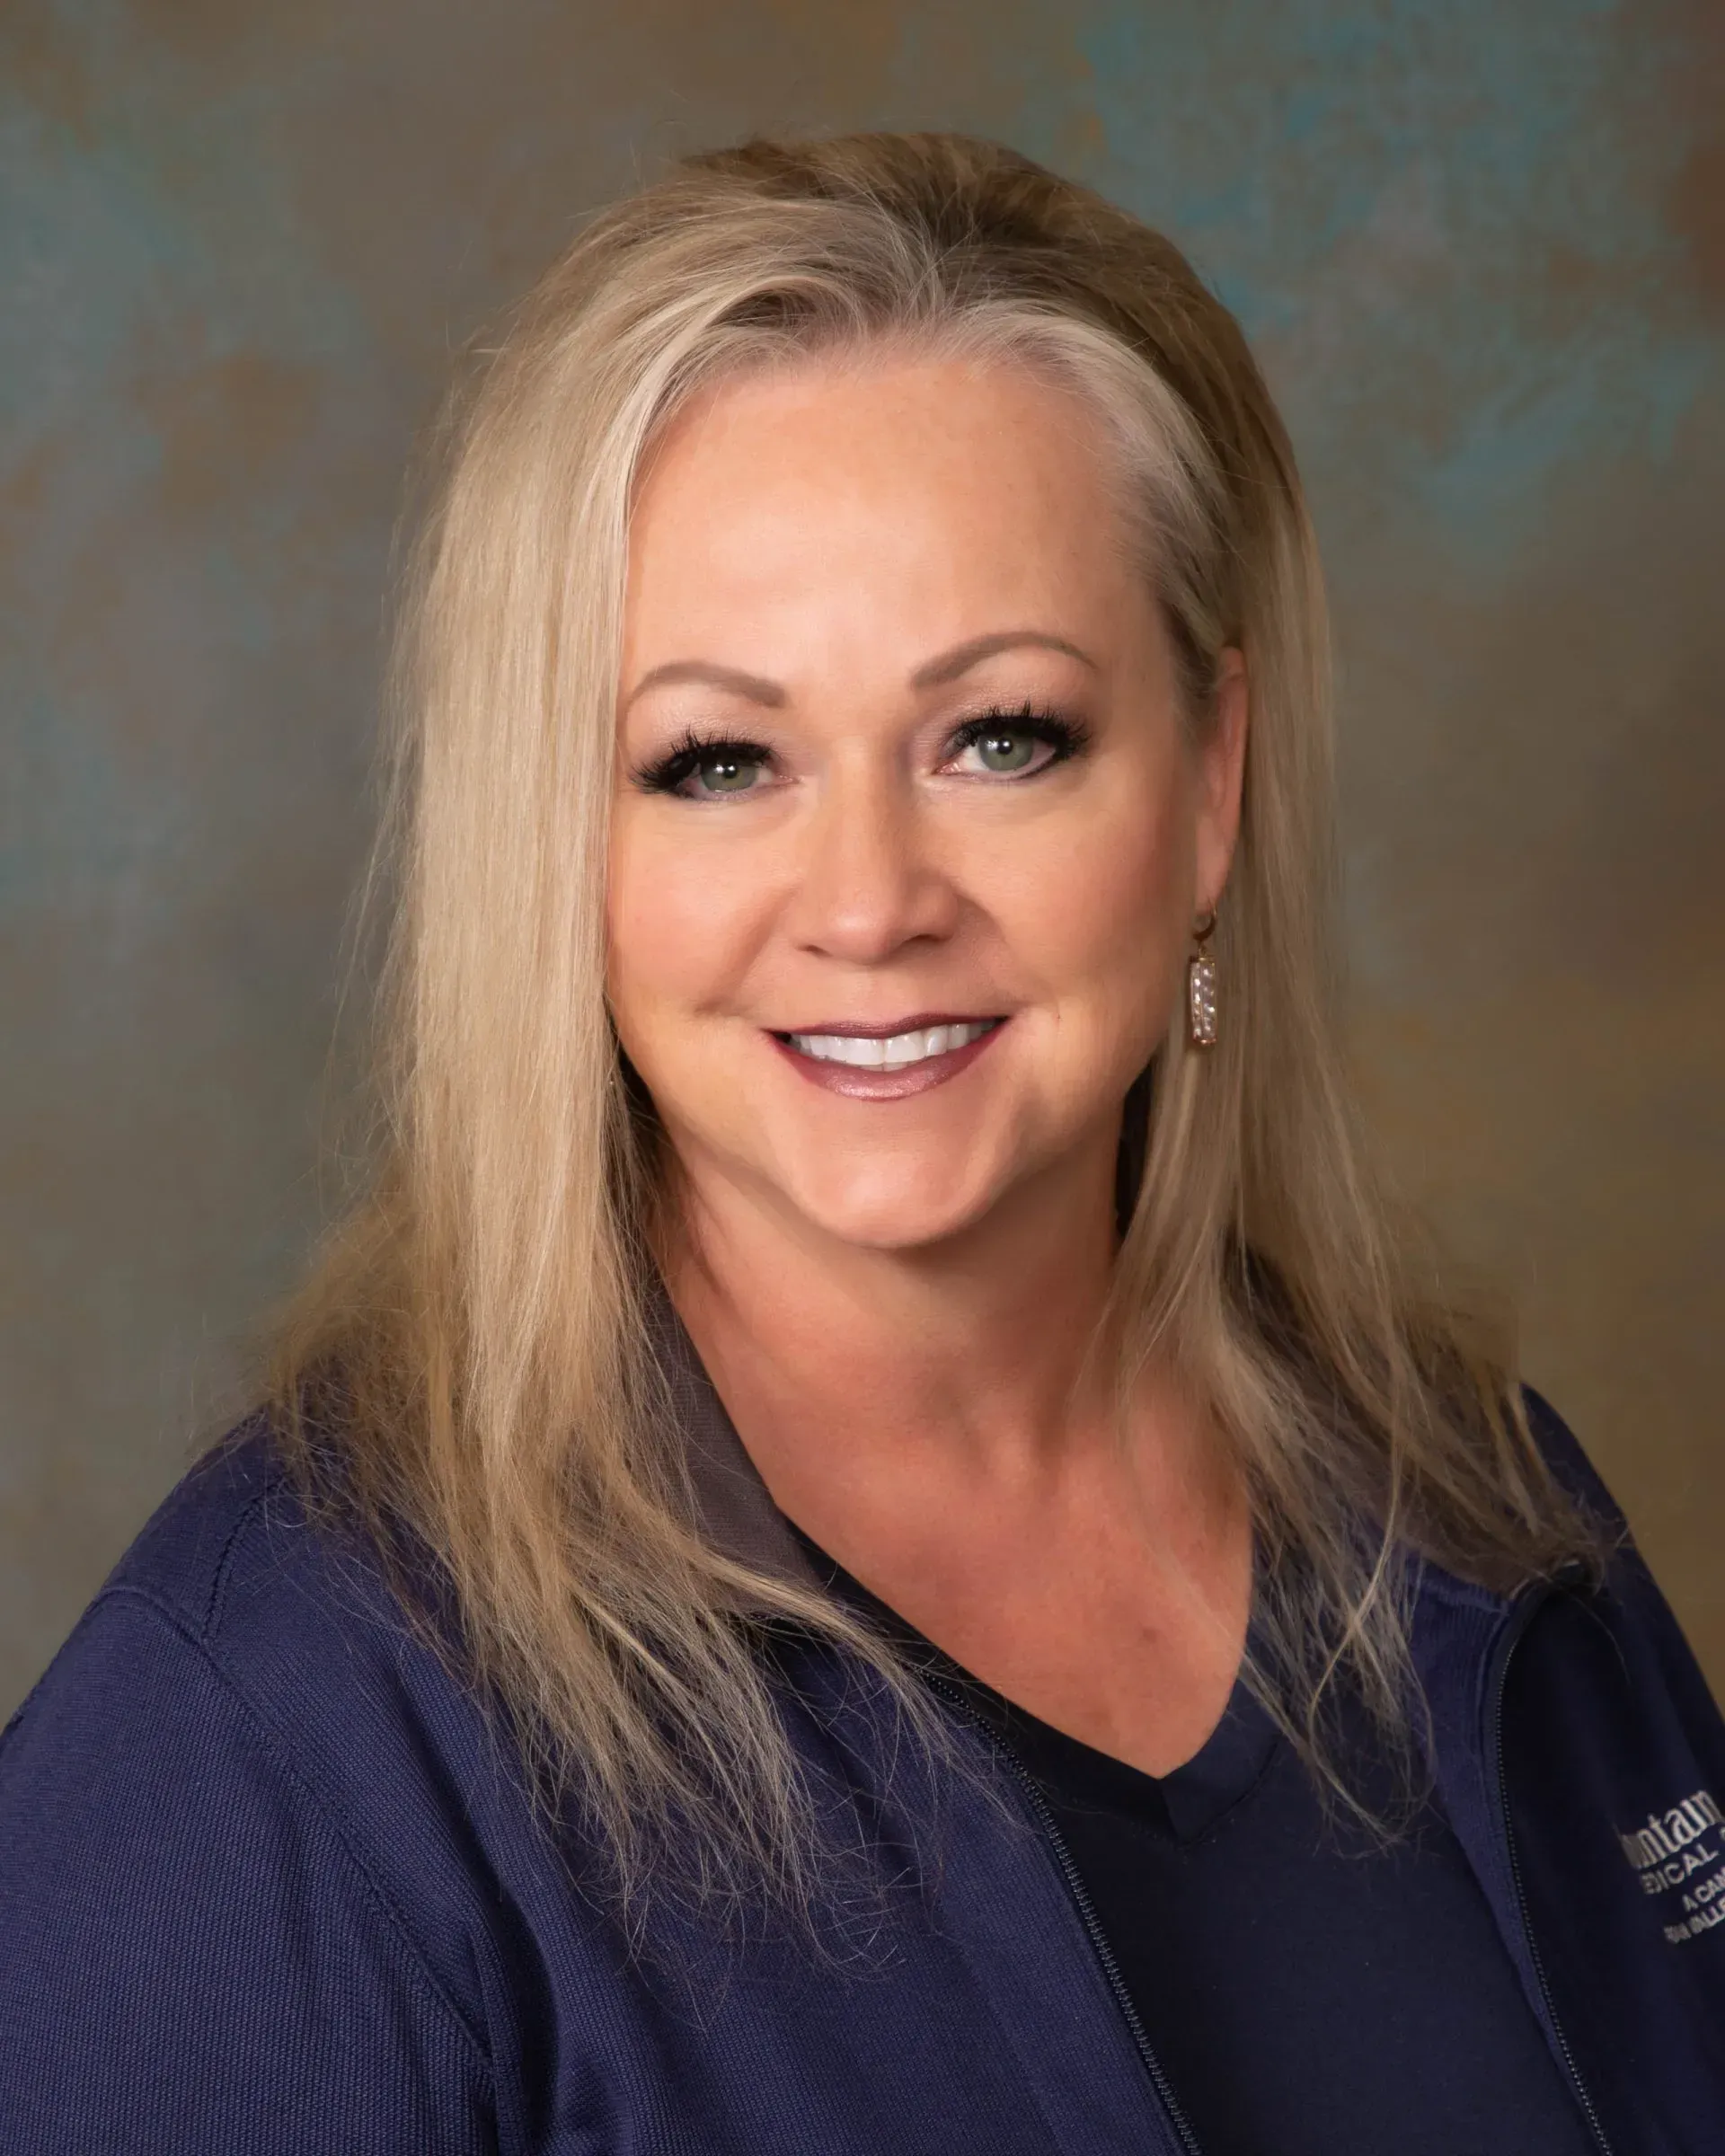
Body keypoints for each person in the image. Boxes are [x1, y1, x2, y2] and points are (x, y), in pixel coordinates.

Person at [1, 132, 1720, 2156]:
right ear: (558, 848)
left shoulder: (1486, 1514)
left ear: (1209, 784)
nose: (871, 901)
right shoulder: (262, 1737)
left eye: (1002, 736)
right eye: (718, 761)